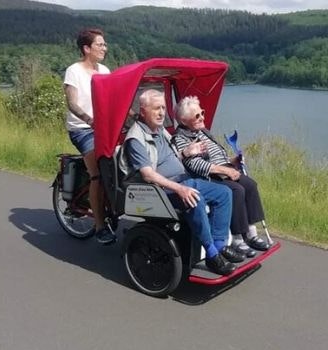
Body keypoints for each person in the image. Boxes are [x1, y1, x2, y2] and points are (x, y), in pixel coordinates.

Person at [118, 89, 245, 276]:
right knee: (195, 198)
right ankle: (211, 254)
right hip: (159, 190)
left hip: (183, 180)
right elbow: (148, 175)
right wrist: (180, 188)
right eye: (156, 109)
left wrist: (187, 153)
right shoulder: (136, 139)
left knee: (224, 193)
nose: (162, 113)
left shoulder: (160, 131)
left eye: (163, 108)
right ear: (143, 111)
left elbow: (172, 156)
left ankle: (219, 247)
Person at [172, 96, 270, 258]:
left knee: (251, 185)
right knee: (236, 190)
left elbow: (219, 155)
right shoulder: (181, 139)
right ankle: (238, 239)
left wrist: (233, 161)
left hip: (224, 169)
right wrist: (225, 171)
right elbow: (195, 165)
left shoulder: (204, 132)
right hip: (209, 176)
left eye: (202, 112)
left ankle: (251, 233)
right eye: (197, 115)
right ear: (183, 120)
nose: (202, 117)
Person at [63, 28, 116, 245]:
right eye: (100, 44)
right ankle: (100, 226)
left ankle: (113, 205)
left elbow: (114, 99)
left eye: (104, 44)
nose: (105, 48)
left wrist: (136, 115)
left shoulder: (104, 70)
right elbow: (72, 103)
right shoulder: (73, 71)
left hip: (104, 127)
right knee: (98, 174)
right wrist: (88, 119)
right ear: (87, 48)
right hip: (82, 130)